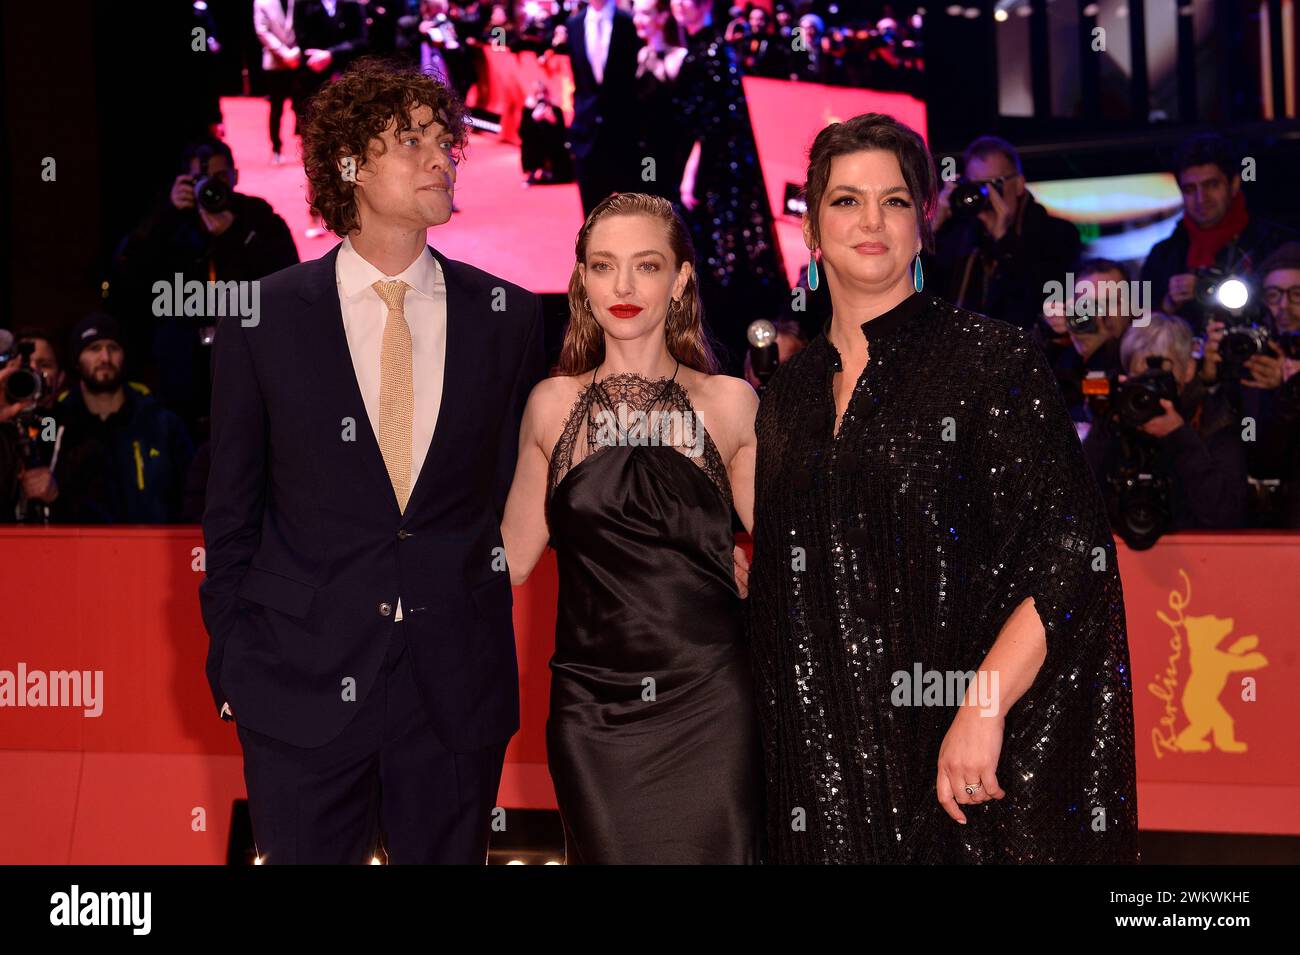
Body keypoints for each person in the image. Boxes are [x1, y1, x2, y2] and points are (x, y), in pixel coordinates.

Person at [746, 113, 1138, 863]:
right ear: (809, 228)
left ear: (922, 221)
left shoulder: (993, 364)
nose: (871, 221)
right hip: (818, 772)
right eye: (846, 200)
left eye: (894, 201)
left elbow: (1072, 553)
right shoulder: (788, 396)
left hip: (955, 763)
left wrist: (982, 706)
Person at [199, 60, 545, 864]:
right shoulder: (265, 319)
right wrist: (234, 665)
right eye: (411, 140)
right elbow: (231, 515)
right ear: (349, 164)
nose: (441, 159)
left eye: (446, 142)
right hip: (297, 684)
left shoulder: (508, 318)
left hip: (454, 692)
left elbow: (507, 500)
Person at [499, 193, 762, 863]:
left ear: (679, 281)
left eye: (645, 266)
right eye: (603, 266)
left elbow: (797, 547)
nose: (622, 286)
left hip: (711, 701)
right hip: (593, 712)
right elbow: (509, 560)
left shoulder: (729, 402)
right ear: (581, 280)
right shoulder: (552, 405)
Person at [109, 138, 299, 443]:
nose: (212, 187)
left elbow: (289, 276)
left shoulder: (255, 216)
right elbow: (126, 273)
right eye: (202, 180)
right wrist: (165, 215)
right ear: (186, 182)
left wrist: (236, 235)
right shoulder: (169, 220)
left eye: (221, 178)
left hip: (249, 370)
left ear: (235, 176)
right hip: (180, 372)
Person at [671, 0, 789, 370]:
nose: (679, 5)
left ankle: (732, 355)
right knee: (721, 258)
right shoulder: (705, 49)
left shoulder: (711, 52)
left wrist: (693, 168)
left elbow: (717, 123)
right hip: (721, 171)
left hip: (719, 173)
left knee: (723, 260)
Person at [1083, 312, 1248, 541]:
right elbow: (1077, 502)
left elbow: (1227, 516)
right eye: (1140, 375)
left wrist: (1179, 437)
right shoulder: (1118, 420)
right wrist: (1107, 423)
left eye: (1160, 374)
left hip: (1201, 558)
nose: (1150, 387)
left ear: (1188, 369)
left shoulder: (1215, 420)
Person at [1141, 133, 1295, 334]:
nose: (1200, 198)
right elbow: (1136, 330)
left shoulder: (1275, 244)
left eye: (1211, 185)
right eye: (1189, 189)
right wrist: (1166, 306)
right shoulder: (1163, 255)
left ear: (1234, 185)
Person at [50, 315, 195, 524]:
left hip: (153, 551)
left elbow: (193, 498)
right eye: (94, 348)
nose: (105, 358)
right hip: (74, 551)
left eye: (113, 348)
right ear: (76, 359)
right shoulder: (57, 423)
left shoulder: (163, 424)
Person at [929, 135, 1082, 332]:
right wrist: (933, 227)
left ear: (1018, 184)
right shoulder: (959, 234)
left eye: (994, 182)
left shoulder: (1057, 234)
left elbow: (1035, 303)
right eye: (977, 185)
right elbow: (921, 291)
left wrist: (1003, 239)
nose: (986, 193)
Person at [564, 0, 641, 217]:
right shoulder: (574, 24)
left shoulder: (629, 22)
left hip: (625, 135)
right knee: (592, 222)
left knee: (634, 219)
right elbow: (580, 82)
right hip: (586, 137)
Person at [0, 329, 67, 523]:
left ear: (61, 378)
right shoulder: (3, 427)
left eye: (44, 365)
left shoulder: (80, 432)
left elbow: (102, 515)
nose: (33, 372)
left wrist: (57, 496)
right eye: (25, 366)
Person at [631, 0, 689, 207]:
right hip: (645, 155)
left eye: (645, 13)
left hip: (670, 156)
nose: (637, 20)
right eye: (636, 13)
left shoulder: (680, 58)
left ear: (663, 16)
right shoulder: (641, 55)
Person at [253, 0, 302, 164]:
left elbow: (306, 24)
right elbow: (262, 30)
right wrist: (284, 53)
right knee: (276, 108)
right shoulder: (262, 2)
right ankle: (276, 149)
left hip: (300, 59)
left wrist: (297, 51)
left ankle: (307, 146)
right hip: (275, 61)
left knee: (304, 105)